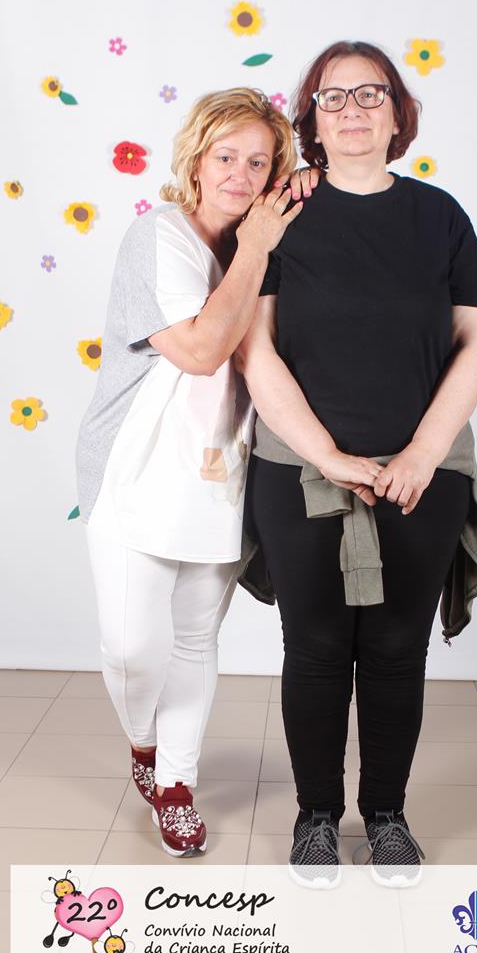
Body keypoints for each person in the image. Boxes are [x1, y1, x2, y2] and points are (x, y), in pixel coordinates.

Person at [236, 42, 477, 887]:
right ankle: (316, 817)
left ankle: (387, 816)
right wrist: (326, 454)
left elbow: (475, 336)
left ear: (398, 113)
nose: (352, 110)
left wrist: (423, 452)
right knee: (314, 648)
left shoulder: (440, 216)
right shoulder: (281, 213)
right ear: (310, 119)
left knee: (395, 648)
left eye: (370, 94)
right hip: (299, 467)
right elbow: (253, 347)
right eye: (333, 96)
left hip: (423, 473)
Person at [76, 88, 300, 856]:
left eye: (258, 163)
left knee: (195, 637)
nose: (240, 174)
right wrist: (257, 248)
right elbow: (202, 350)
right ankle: (143, 741)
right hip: (134, 469)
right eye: (225, 157)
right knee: (130, 647)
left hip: (222, 471)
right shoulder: (159, 237)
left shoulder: (268, 248)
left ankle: (175, 784)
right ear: (196, 162)